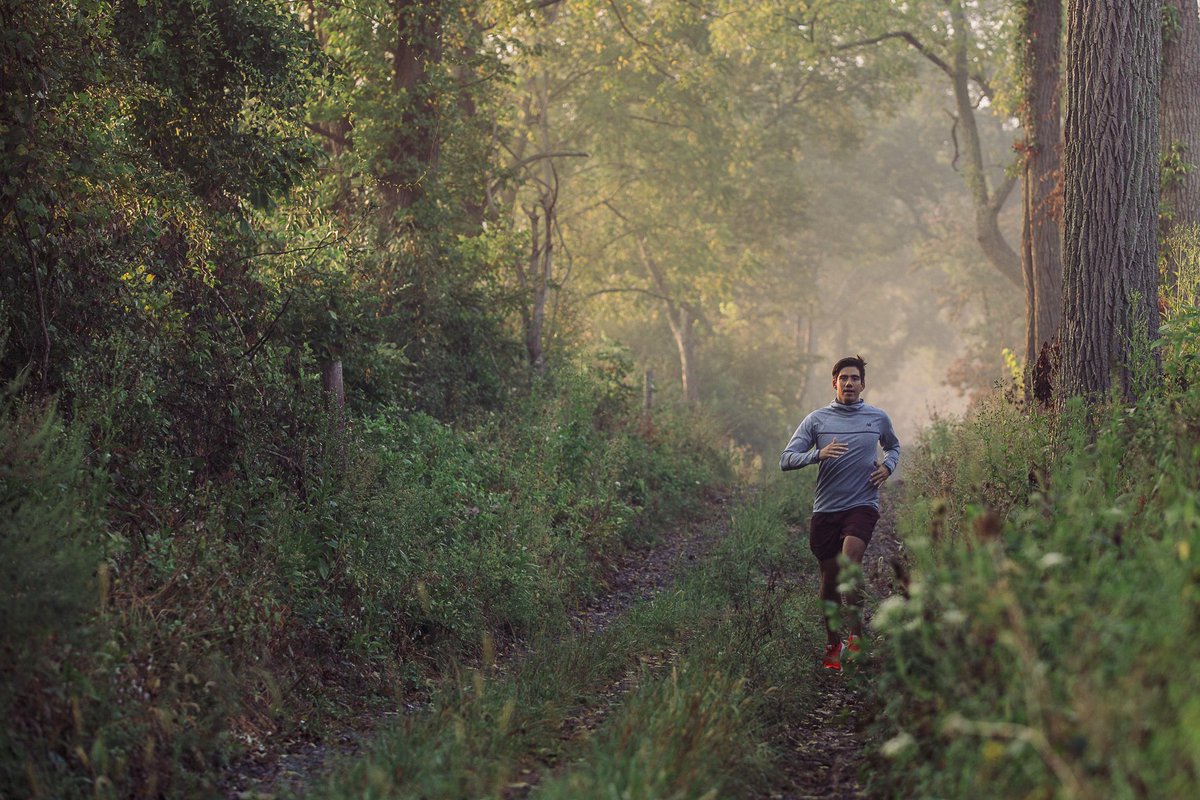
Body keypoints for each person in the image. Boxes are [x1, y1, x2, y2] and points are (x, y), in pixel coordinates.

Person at [780, 355, 900, 671]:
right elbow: (786, 458)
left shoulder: (877, 418)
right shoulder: (816, 420)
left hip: (862, 504)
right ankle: (835, 643)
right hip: (826, 509)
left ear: (863, 384)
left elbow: (894, 447)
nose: (849, 383)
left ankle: (857, 635)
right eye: (843, 378)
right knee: (830, 579)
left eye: (854, 378)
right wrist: (817, 454)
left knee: (849, 565)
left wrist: (887, 467)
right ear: (834, 382)